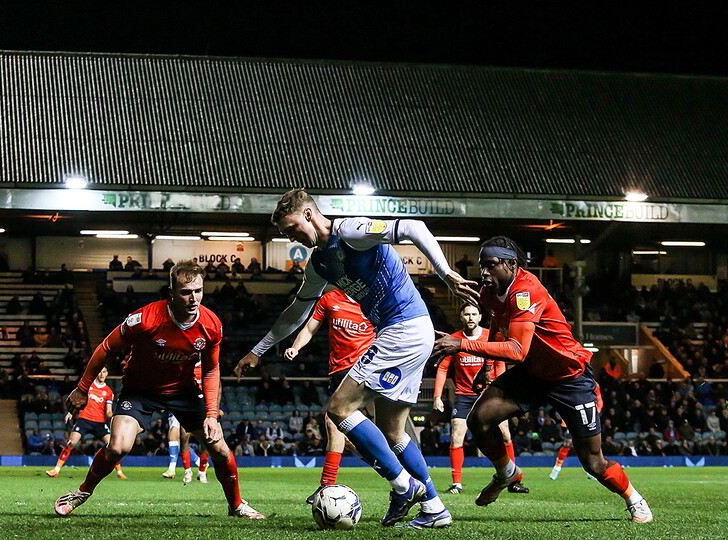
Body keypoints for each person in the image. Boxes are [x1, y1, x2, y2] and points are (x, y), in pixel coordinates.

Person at [235, 188, 477, 529]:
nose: (290, 237)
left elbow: (412, 227)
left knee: (339, 409)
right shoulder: (319, 263)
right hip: (410, 330)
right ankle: (435, 508)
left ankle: (404, 485)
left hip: (402, 328)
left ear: (308, 214)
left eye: (291, 229)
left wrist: (445, 273)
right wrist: (258, 350)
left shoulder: (349, 231)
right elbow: (296, 311)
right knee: (393, 431)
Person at [431, 236, 652, 523]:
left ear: (511, 264)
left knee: (593, 462)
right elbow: (498, 328)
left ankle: (635, 500)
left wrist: (461, 344)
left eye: (491, 265)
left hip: (568, 377)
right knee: (479, 419)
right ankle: (507, 473)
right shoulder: (490, 292)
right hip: (533, 374)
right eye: (481, 266)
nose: (484, 272)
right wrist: (487, 366)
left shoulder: (526, 291)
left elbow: (517, 350)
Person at [54, 261, 264, 519]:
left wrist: (211, 414)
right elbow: (106, 348)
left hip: (184, 390)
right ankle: (82, 491)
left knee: (219, 447)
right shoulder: (145, 320)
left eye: (198, 291)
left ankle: (236, 505)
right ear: (172, 292)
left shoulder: (211, 325)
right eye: (186, 292)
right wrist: (82, 388)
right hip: (139, 390)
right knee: (118, 447)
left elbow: (210, 370)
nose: (193, 298)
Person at [283, 288, 375, 504]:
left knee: (333, 422)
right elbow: (309, 328)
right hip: (338, 373)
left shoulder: (374, 300)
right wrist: (296, 347)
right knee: (346, 436)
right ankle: (393, 472)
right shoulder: (329, 299)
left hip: (364, 371)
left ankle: (326, 487)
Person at [433, 304, 527, 495]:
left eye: (474, 314)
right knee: (456, 436)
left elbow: (500, 363)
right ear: (461, 317)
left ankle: (514, 481)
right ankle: (456, 484)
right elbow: (442, 368)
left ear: (480, 317)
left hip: (490, 395)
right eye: (466, 314)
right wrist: (437, 396)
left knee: (506, 434)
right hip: (464, 395)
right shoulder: (454, 339)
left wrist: (502, 388)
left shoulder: (489, 337)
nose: (470, 317)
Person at [46, 367, 127, 479]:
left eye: (104, 372)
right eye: (100, 372)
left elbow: (108, 412)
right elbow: (78, 400)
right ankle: (56, 470)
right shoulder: (88, 387)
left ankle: (119, 472)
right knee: (71, 443)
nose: (102, 374)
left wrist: (117, 418)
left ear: (107, 373)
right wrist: (70, 412)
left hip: (99, 422)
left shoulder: (108, 391)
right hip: (84, 419)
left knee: (113, 446)